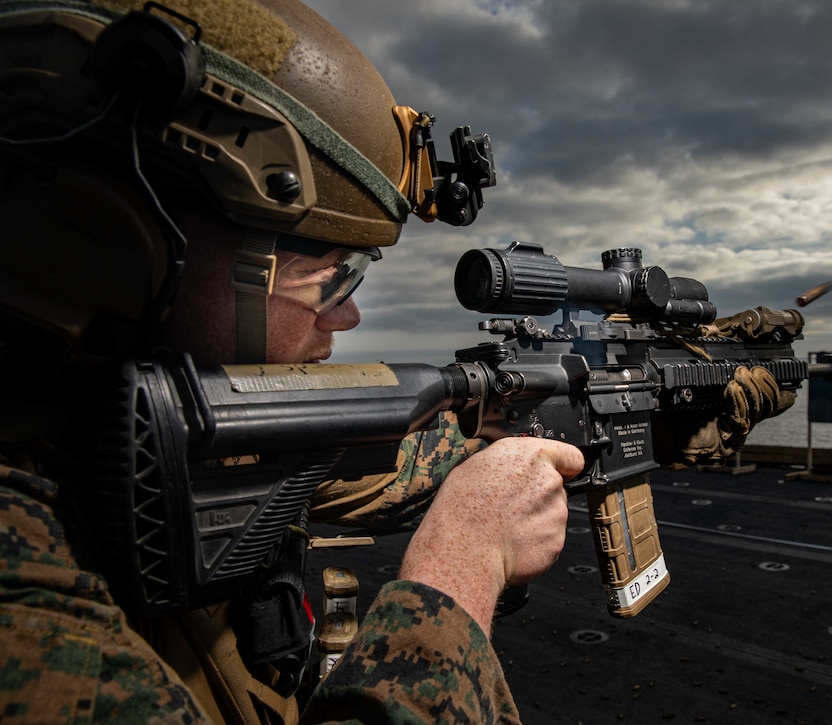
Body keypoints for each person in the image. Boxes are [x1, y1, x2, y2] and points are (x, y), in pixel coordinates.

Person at [0, 1, 791, 722]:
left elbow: (400, 458)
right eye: (332, 276)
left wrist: (643, 417)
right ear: (115, 244)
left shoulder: (113, 430)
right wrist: (465, 560)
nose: (348, 314)